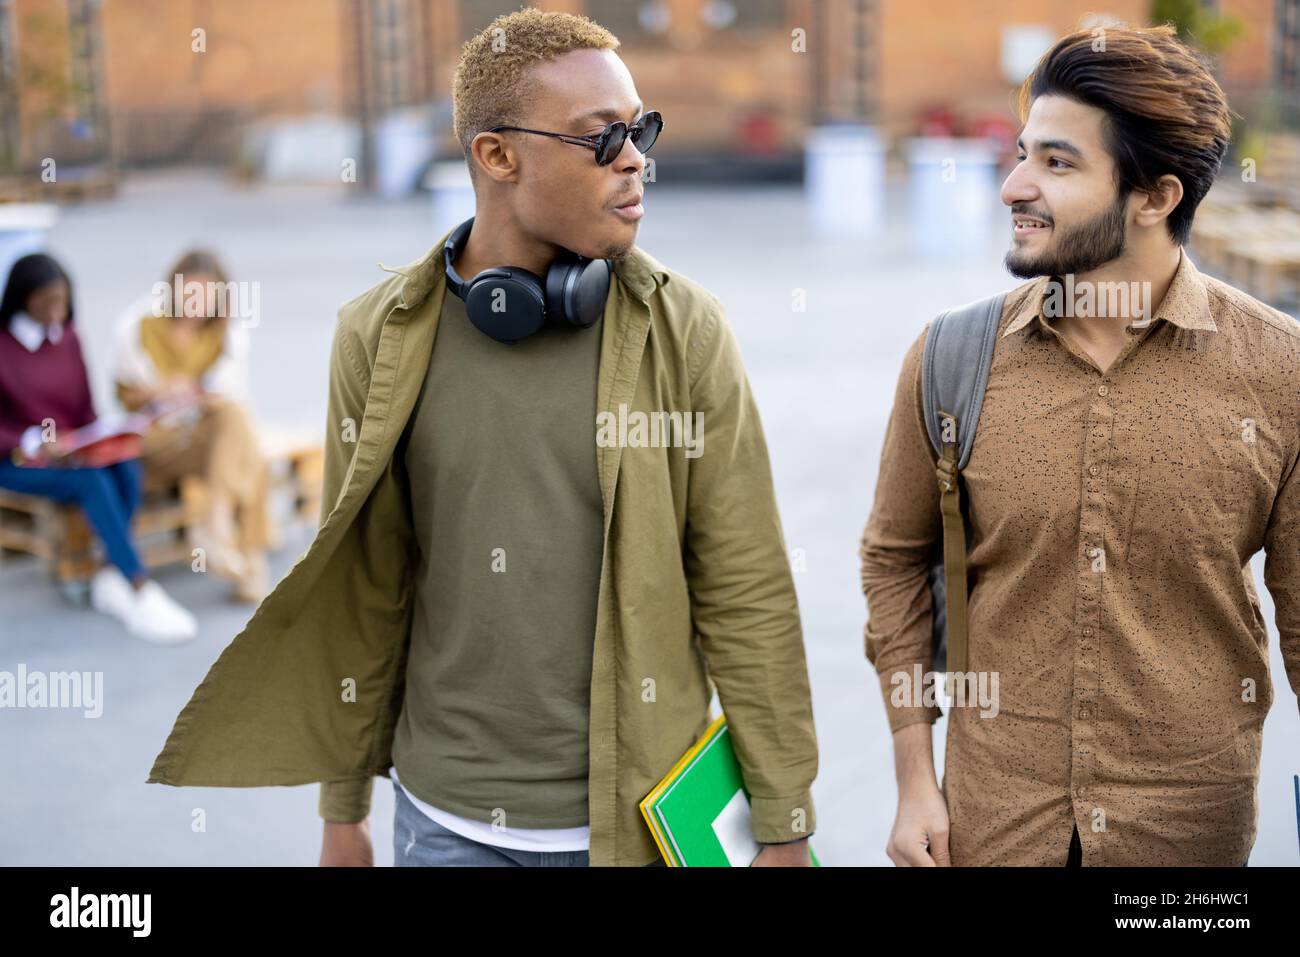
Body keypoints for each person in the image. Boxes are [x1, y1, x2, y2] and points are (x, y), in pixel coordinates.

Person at [148, 8, 818, 867]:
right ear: (497, 156)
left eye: (640, 130)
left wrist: (785, 820)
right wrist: (342, 808)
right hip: (446, 828)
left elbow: (746, 581)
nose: (634, 158)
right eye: (600, 137)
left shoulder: (685, 331)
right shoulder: (376, 337)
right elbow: (367, 579)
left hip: (644, 825)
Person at [860, 23, 1299, 867]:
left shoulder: (1281, 374)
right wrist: (915, 776)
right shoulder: (951, 358)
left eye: (1057, 164)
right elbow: (895, 561)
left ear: (1154, 196)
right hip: (993, 821)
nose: (1013, 185)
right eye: (1023, 154)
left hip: (1184, 839)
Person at [0, 253, 197, 643]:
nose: (58, 311)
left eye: (63, 301)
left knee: (124, 463)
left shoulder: (67, 338)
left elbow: (84, 412)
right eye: (47, 302)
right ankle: (137, 584)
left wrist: (111, 433)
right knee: (92, 481)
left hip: (71, 451)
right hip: (16, 459)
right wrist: (35, 441)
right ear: (24, 299)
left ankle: (112, 573)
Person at [112, 249, 271, 603]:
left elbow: (229, 389)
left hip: (202, 432)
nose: (197, 302)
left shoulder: (224, 332)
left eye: (206, 294)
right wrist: (160, 391)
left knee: (235, 418)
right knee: (245, 446)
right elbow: (125, 394)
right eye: (190, 292)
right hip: (158, 437)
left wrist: (198, 394)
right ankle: (245, 555)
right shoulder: (143, 326)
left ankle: (218, 523)